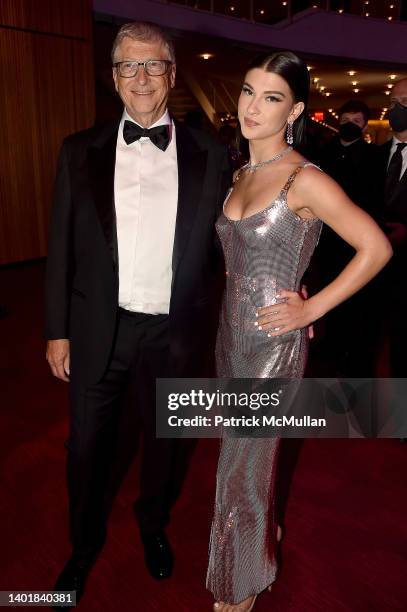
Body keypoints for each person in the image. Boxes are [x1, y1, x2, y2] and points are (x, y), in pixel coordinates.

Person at [45, 21, 230, 606]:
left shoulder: (211, 154)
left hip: (176, 331)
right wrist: (57, 331)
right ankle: (82, 546)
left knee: (165, 443)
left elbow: (237, 241)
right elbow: (62, 250)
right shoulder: (79, 151)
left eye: (154, 65)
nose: (142, 77)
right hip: (101, 326)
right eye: (130, 65)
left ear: (173, 76)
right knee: (85, 448)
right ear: (115, 77)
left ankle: (152, 524)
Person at [206, 51, 392, 612]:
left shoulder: (305, 179)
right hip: (229, 336)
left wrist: (312, 311)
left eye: (271, 98)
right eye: (247, 91)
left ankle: (241, 580)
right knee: (242, 456)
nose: (252, 107)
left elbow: (376, 248)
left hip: (272, 343)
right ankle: (259, 544)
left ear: (296, 111)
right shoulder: (240, 172)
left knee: (242, 462)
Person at [315, 100, 382, 375]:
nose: (349, 125)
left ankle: (348, 348)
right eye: (346, 119)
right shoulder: (322, 153)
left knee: (353, 296)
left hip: (355, 241)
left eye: (356, 121)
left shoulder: (374, 157)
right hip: (326, 239)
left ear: (365, 125)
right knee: (325, 285)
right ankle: (330, 341)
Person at [377, 77, 407, 376]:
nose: (397, 110)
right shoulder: (372, 156)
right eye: (393, 103)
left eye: (405, 103)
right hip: (371, 272)